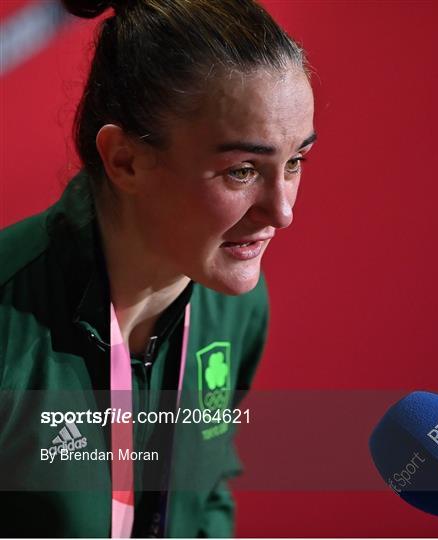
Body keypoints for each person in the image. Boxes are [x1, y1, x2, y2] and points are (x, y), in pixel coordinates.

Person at [0, 0, 316, 537]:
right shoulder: (9, 326)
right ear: (125, 160)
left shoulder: (235, 309)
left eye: (295, 162)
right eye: (242, 171)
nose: (282, 211)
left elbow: (206, 492)